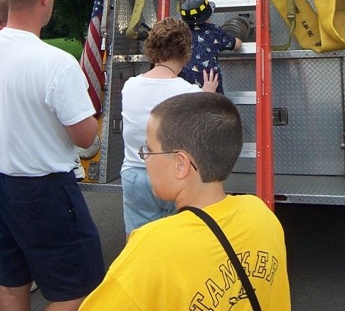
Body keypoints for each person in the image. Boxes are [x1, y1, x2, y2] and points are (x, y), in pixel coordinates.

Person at [80, 91, 291, 310]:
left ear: (181, 164)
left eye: (150, 150)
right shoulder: (263, 216)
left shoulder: (152, 246)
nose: (146, 159)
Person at [0, 0, 105, 311]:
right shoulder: (55, 63)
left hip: (2, 184)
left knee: (11, 284)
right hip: (44, 189)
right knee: (76, 289)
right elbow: (84, 136)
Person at [121, 16, 218, 239]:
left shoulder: (130, 85)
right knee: (176, 239)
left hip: (134, 174)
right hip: (173, 176)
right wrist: (208, 95)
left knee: (138, 239)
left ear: (152, 49)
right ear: (185, 53)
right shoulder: (189, 92)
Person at [179, 0, 242, 94]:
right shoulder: (214, 31)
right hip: (209, 81)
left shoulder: (179, 32)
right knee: (216, 104)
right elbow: (236, 44)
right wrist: (239, 37)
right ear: (208, 15)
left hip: (184, 82)